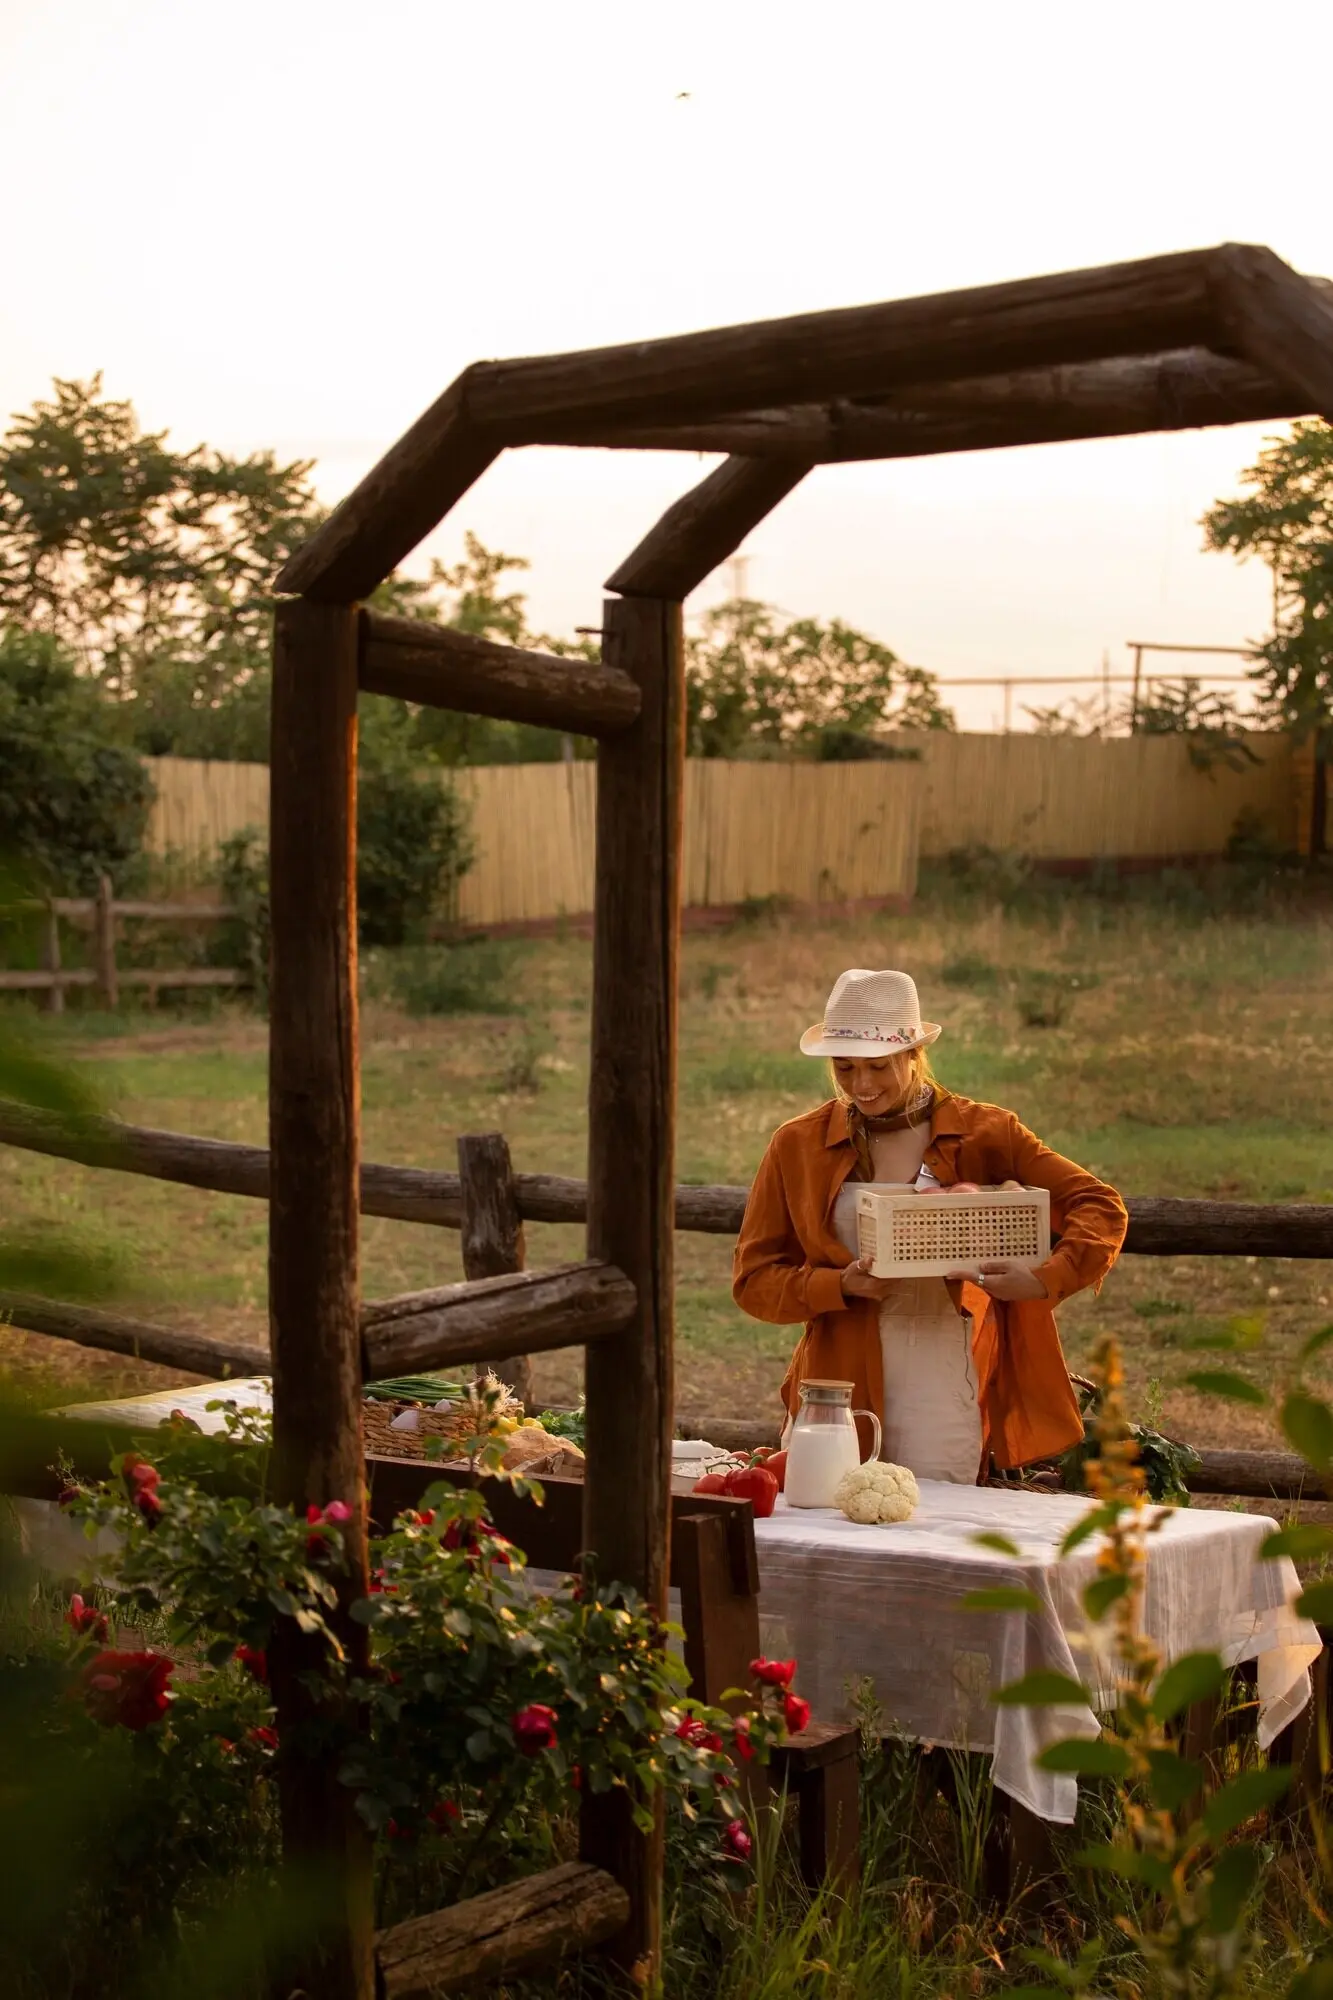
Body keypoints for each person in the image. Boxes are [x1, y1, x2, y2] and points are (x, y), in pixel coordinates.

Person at [732, 968, 1127, 1482]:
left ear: (914, 1054)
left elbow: (1099, 1205)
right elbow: (753, 1280)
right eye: (845, 1067)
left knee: (939, 1517)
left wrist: (1043, 1279)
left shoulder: (986, 1131)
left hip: (941, 1379)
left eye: (878, 1066)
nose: (861, 1085)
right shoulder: (796, 1144)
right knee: (823, 1512)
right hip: (835, 1379)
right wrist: (838, 1284)